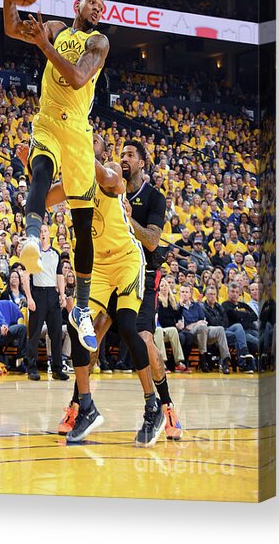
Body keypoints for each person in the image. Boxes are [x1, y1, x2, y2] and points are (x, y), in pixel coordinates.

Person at [4, 0, 109, 352]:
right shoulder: (57, 27)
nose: (97, 9)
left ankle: (81, 309)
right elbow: (15, 28)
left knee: (82, 223)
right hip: (47, 118)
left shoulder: (98, 42)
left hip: (78, 131)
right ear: (76, 4)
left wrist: (44, 49)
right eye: (92, 2)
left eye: (101, 6)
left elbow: (80, 78)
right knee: (40, 172)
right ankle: (32, 238)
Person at [46, 135, 174, 446]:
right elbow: (45, 200)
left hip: (128, 262)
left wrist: (73, 147)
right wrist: (33, 168)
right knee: (79, 328)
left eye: (93, 143)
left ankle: (155, 406)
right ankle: (85, 406)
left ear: (103, 154)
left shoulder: (112, 172)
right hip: (98, 268)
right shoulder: (76, 179)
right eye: (84, 141)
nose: (87, 144)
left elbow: (103, 175)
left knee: (132, 329)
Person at [120, 141, 178, 419]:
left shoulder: (155, 197)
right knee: (92, 334)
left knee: (144, 338)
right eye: (121, 154)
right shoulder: (112, 189)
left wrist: (128, 220)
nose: (124, 158)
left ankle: (166, 406)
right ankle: (78, 405)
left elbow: (153, 241)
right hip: (114, 271)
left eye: (130, 155)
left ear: (142, 163)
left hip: (144, 273)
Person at [21, 224, 69, 382]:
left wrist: (62, 294)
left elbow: (60, 275)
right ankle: (32, 367)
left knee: (55, 333)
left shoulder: (55, 253)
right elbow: (25, 276)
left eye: (45, 231)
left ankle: (57, 368)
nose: (42, 234)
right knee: (34, 334)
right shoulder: (33, 252)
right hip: (38, 294)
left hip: (52, 295)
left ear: (49, 234)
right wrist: (29, 297)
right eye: (40, 231)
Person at [202, 284, 255, 373]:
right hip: (213, 332)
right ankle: (242, 364)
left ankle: (244, 352)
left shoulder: (219, 307)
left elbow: (225, 321)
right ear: (206, 295)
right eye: (210, 294)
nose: (212, 296)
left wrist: (220, 322)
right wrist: (219, 322)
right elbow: (211, 322)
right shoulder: (203, 307)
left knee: (238, 326)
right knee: (237, 335)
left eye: (214, 294)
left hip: (224, 329)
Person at [180, 283, 231, 374]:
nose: (184, 294)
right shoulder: (178, 307)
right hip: (191, 335)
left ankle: (225, 361)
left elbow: (203, 320)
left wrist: (196, 324)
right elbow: (184, 327)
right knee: (201, 326)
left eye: (186, 292)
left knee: (220, 329)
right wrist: (196, 324)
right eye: (182, 292)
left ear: (190, 294)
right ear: (179, 293)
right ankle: (203, 358)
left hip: (203, 331)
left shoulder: (196, 305)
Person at [154, 275, 189, 373]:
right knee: (160, 330)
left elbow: (177, 317)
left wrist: (181, 306)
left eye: (166, 285)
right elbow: (161, 318)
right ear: (158, 289)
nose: (164, 287)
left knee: (173, 330)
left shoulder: (172, 300)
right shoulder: (158, 301)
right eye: (161, 286)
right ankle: (162, 362)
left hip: (167, 330)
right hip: (158, 329)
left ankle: (178, 362)